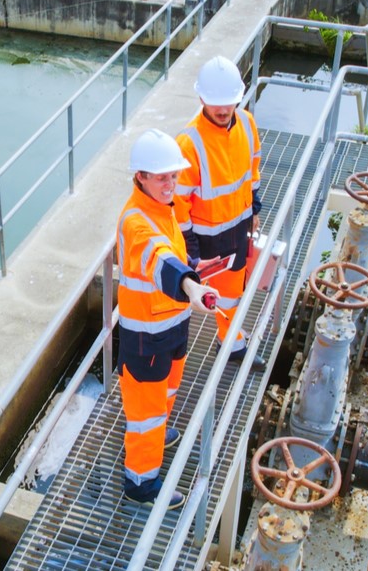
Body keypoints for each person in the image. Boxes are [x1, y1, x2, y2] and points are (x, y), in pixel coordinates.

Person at [116, 128, 219, 509]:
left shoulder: (164, 208)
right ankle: (140, 483)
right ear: (140, 176)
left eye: (174, 176)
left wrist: (193, 268)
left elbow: (173, 256)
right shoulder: (135, 221)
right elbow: (157, 259)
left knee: (165, 397)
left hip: (171, 327)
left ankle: (158, 437)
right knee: (146, 412)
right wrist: (191, 287)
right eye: (162, 177)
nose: (171, 183)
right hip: (147, 338)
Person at [175, 56, 266, 370]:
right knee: (187, 299)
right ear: (202, 98)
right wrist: (191, 250)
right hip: (204, 244)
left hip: (238, 233)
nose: (223, 109)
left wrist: (255, 208)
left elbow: (252, 169)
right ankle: (174, 359)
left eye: (228, 102)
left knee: (232, 295)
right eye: (216, 103)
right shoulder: (189, 143)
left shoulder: (248, 124)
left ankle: (231, 342)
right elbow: (179, 204)